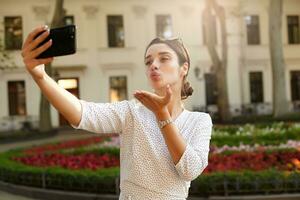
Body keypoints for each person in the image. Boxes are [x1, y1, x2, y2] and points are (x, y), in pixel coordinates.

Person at [21, 25, 213, 200]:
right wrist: (40, 76)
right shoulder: (131, 112)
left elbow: (190, 169)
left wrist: (162, 116)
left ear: (183, 68)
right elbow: (82, 113)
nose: (153, 65)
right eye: (148, 62)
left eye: (164, 58)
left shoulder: (200, 121)